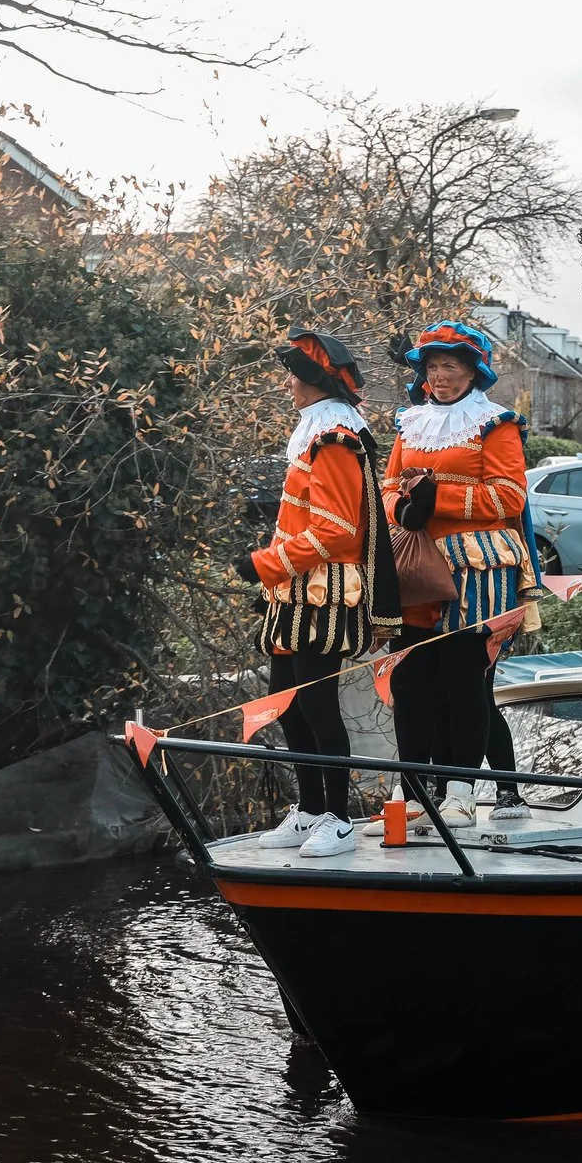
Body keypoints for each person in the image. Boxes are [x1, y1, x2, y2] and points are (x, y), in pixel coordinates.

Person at [236, 330, 401, 858]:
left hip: (327, 594)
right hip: (296, 592)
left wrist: (264, 563)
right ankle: (309, 810)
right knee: (289, 706)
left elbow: (337, 532)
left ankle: (338, 816)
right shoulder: (318, 432)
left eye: (294, 376)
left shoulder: (334, 439)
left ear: (313, 384)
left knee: (317, 706)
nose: (288, 384)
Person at [382, 321, 529, 836]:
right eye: (432, 366)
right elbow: (386, 487)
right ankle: (414, 787)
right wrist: (404, 508)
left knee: (465, 681)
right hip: (415, 564)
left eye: (450, 366)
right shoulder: (408, 422)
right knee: (411, 679)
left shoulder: (496, 423)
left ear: (472, 372)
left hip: (476, 564)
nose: (440, 375)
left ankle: (463, 791)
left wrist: (438, 499)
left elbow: (510, 497)